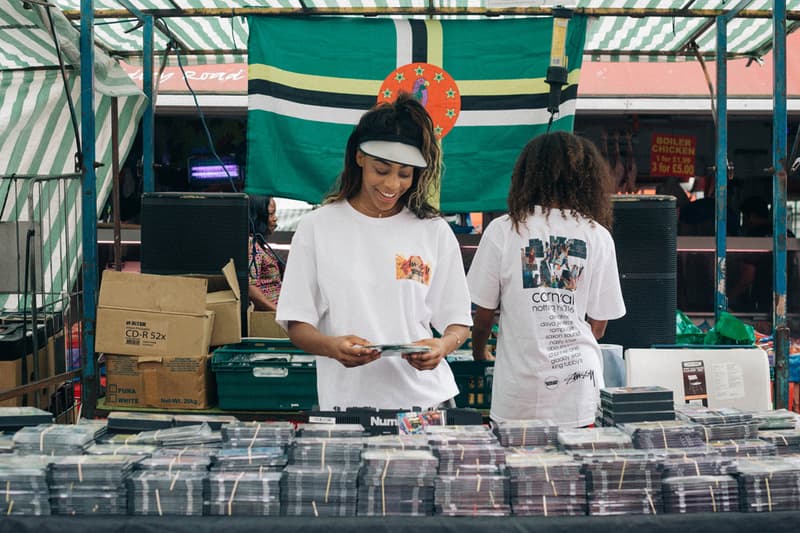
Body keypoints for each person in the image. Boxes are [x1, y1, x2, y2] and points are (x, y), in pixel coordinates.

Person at [275, 93, 472, 411]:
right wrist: (331, 346)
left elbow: (458, 322)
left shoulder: (432, 230)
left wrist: (442, 346)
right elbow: (297, 323)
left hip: (427, 403)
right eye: (382, 170)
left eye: (405, 174)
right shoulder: (318, 227)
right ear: (359, 158)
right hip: (348, 406)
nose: (392, 184)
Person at [467, 131, 626, 427]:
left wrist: (480, 351)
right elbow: (600, 324)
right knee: (576, 471)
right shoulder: (597, 236)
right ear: (587, 178)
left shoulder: (503, 230)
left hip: (518, 388)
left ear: (526, 175)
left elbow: (483, 314)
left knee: (517, 470)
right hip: (578, 385)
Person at [248, 195, 283, 311]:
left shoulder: (260, 244)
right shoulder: (251, 245)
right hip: (268, 318)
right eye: (271, 214)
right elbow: (250, 288)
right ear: (257, 216)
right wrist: (277, 312)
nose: (275, 218)